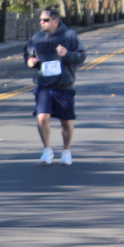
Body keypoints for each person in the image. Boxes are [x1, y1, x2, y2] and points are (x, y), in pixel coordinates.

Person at [23, 8, 86, 165]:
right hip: (43, 84)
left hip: (63, 85)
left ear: (55, 21)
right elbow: (28, 54)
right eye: (40, 20)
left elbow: (81, 56)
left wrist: (67, 54)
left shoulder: (69, 36)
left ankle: (66, 151)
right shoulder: (36, 38)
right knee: (42, 117)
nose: (42, 23)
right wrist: (30, 61)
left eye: (45, 20)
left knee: (66, 121)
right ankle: (47, 149)